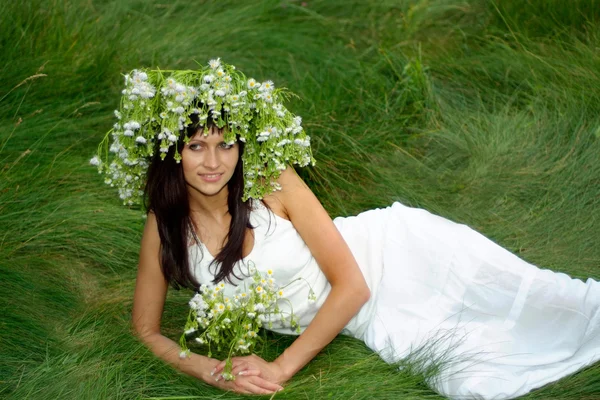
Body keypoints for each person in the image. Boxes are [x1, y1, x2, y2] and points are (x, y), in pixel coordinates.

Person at [93, 60, 600, 399]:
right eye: (196, 146)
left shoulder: (272, 183)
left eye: (226, 145)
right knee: (470, 377)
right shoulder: (164, 227)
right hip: (361, 314)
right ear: (171, 151)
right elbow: (145, 330)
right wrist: (210, 368)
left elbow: (353, 285)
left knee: (552, 301)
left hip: (392, 254)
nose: (213, 161)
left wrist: (281, 367)